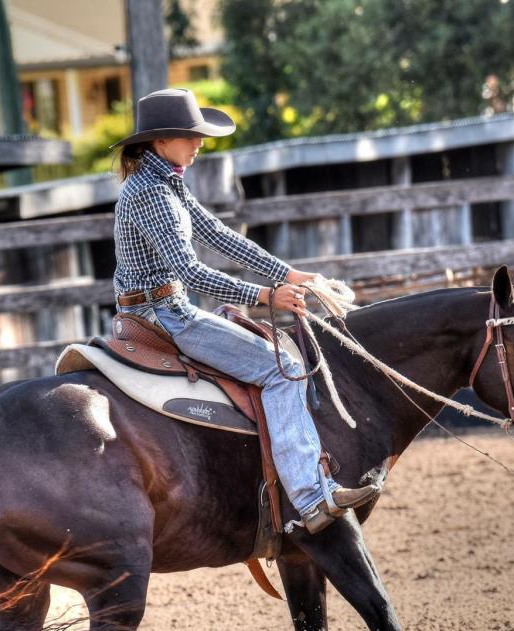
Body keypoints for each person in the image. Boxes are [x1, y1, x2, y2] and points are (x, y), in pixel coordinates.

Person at [109, 88, 378, 533]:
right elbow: (191, 272)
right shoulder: (152, 193)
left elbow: (219, 235)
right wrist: (266, 296)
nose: (199, 143)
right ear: (161, 140)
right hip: (167, 316)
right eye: (191, 135)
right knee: (284, 369)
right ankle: (312, 498)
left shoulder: (163, 183)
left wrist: (288, 274)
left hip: (158, 310)